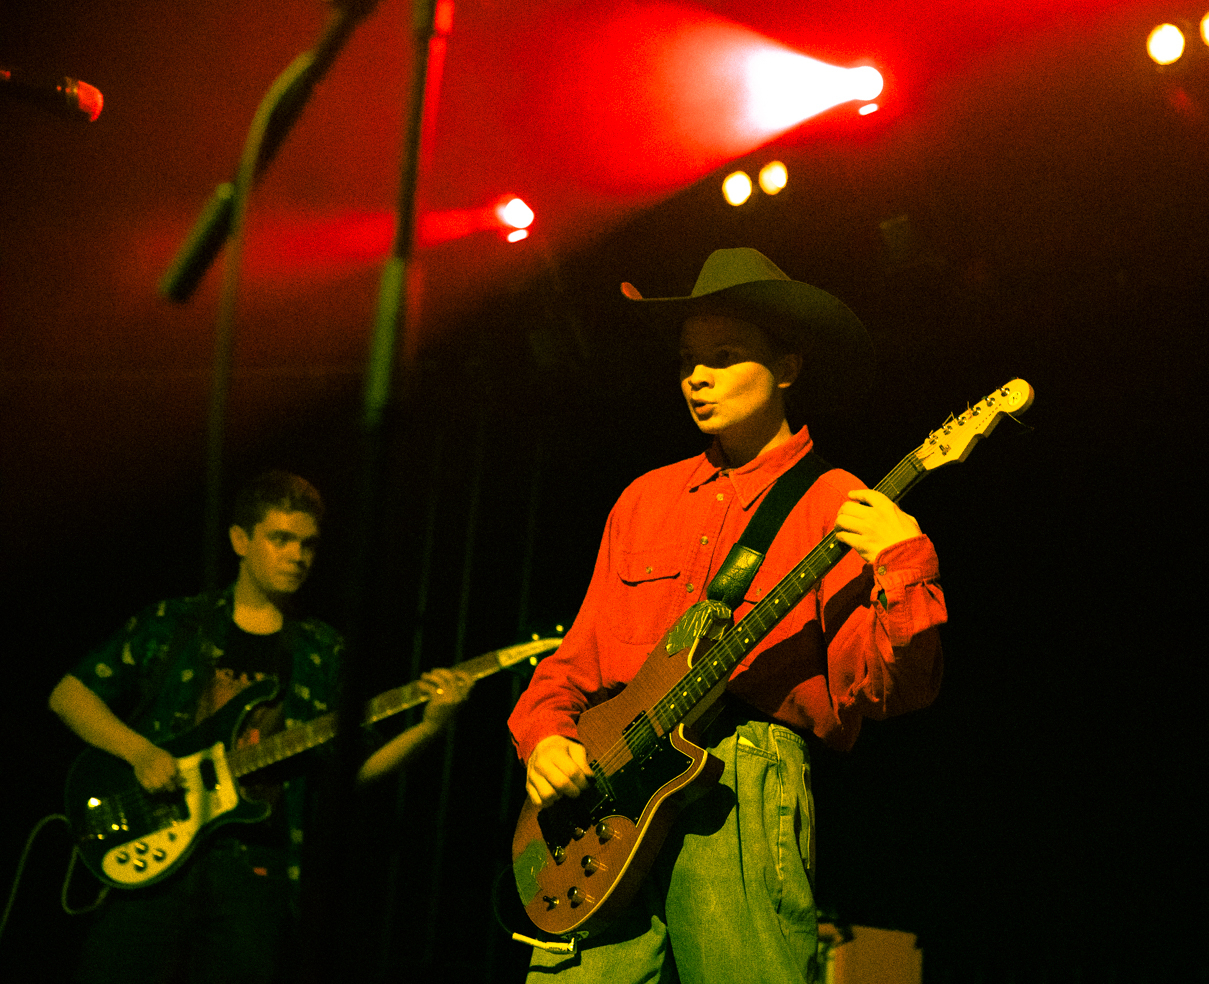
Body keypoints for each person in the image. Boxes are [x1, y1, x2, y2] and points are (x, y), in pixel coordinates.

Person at [509, 248, 947, 983]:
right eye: (687, 359)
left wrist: (904, 561)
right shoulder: (643, 499)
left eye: (724, 356)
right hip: (607, 794)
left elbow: (889, 690)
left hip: (741, 779)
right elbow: (574, 661)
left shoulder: (832, 504)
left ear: (788, 368)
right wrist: (546, 740)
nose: (697, 377)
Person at [48, 470, 472, 984]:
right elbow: (69, 694)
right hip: (153, 861)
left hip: (256, 877)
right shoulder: (178, 622)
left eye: (309, 544)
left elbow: (350, 773)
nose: (298, 556)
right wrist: (140, 753)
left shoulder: (323, 651)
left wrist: (429, 727)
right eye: (281, 539)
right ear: (239, 540)